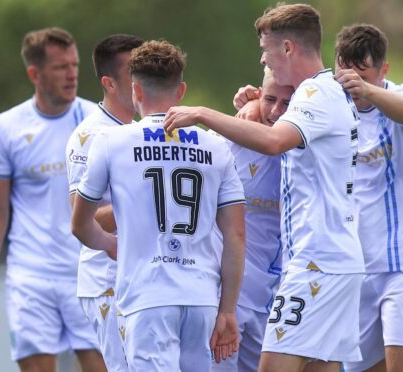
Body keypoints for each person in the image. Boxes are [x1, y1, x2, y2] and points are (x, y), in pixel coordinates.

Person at [164, 4, 364, 372]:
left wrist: (203, 113)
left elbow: (274, 142)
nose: (263, 61)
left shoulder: (315, 94)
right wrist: (256, 103)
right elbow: (277, 125)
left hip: (316, 262)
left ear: (287, 49)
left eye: (266, 53)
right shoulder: (329, 92)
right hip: (339, 261)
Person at [71, 40, 246, 372]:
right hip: (202, 298)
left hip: (147, 298)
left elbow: (79, 224)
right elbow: (236, 234)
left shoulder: (110, 143)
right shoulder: (216, 146)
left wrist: (110, 245)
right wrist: (228, 309)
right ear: (181, 91)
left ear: (135, 89)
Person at [0, 27, 105, 372]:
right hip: (30, 275)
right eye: (61, 67)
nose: (73, 74)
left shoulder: (98, 121)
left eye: (75, 65)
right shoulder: (5, 127)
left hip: (88, 271)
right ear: (35, 74)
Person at [334, 24, 403, 372]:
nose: (354, 87)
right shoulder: (331, 109)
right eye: (345, 75)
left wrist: (368, 90)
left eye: (362, 76)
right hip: (356, 270)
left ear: (384, 71)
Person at [66, 34, 143, 372]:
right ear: (109, 83)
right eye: (134, 72)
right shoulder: (90, 136)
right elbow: (84, 219)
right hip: (108, 280)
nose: (143, 80)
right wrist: (144, 199)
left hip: (143, 275)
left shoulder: (142, 128)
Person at [212, 67, 294, 372]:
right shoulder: (226, 141)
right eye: (270, 99)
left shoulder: (308, 146)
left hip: (280, 299)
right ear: (257, 94)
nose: (275, 111)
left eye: (287, 103)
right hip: (230, 296)